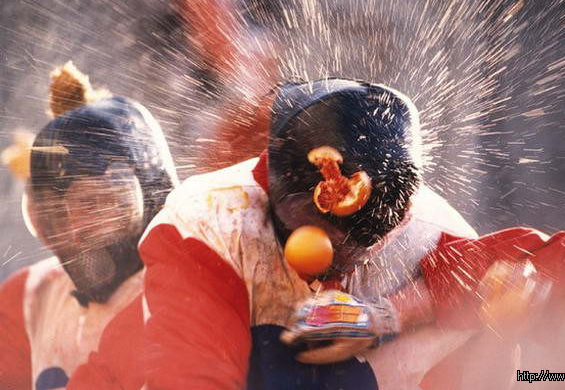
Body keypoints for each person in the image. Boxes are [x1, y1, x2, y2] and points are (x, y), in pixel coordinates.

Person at [138, 78, 478, 389]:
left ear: (401, 220)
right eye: (319, 230)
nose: (333, 259)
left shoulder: (423, 223)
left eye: (355, 247)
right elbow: (190, 376)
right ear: (274, 187)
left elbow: (505, 266)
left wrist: (385, 315)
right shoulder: (207, 222)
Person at [0, 62, 178, 389]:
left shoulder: (190, 292)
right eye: (56, 213)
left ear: (155, 194)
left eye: (99, 204)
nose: (76, 228)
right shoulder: (29, 297)